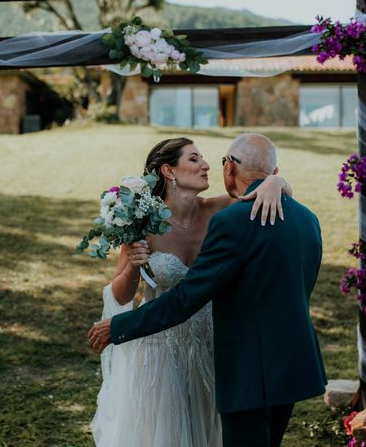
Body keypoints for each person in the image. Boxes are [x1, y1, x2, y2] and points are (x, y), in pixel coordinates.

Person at [89, 133, 326, 447]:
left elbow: (187, 297)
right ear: (168, 171)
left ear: (230, 168)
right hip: (182, 353)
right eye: (194, 158)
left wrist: (275, 182)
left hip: (230, 357)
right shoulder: (308, 219)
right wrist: (132, 266)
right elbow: (122, 292)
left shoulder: (226, 216)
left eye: (210, 160)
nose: (205, 166)